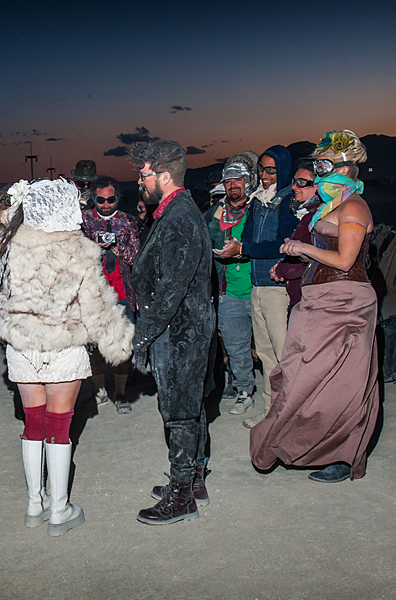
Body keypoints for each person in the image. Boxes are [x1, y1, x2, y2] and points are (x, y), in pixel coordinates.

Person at [0, 179, 133, 537]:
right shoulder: (78, 249)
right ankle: (59, 510)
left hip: (21, 347)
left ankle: (35, 503)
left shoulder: (6, 244)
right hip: (62, 347)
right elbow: (97, 307)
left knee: (33, 424)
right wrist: (120, 342)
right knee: (60, 428)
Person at [250, 130, 379, 483]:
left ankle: (341, 455)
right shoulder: (332, 205)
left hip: (346, 303)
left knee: (341, 383)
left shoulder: (354, 206)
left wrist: (302, 249)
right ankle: (298, 444)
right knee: (301, 376)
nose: (320, 171)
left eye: (325, 164)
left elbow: (345, 259)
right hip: (318, 300)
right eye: (318, 164)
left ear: (345, 167)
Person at [128, 140, 215, 525]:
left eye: (144, 174)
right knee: (189, 407)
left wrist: (142, 337)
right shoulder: (170, 211)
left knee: (179, 411)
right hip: (183, 328)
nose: (139, 181)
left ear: (164, 176)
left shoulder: (179, 216)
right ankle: (192, 480)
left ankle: (182, 497)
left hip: (181, 332)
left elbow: (170, 290)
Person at [215, 145, 299, 428]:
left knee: (283, 352)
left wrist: (245, 247)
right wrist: (235, 250)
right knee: (265, 354)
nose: (265, 175)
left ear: (282, 170)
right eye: (262, 169)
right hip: (257, 285)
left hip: (278, 287)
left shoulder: (288, 201)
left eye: (271, 170)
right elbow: (248, 241)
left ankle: (291, 413)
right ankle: (270, 410)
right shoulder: (258, 201)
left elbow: (282, 243)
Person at [81, 176, 140, 414]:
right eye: (101, 200)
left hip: (122, 292)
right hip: (93, 295)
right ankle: (99, 390)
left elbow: (136, 256)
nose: (106, 204)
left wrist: (115, 245)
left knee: (122, 346)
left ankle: (120, 393)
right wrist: (95, 244)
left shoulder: (127, 221)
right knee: (94, 346)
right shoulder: (83, 222)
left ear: (118, 198)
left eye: (111, 199)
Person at [207, 157, 256, 416]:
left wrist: (241, 251)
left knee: (272, 346)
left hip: (260, 287)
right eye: (228, 181)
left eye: (238, 180)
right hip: (229, 291)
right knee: (236, 347)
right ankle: (244, 391)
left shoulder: (260, 209)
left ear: (248, 182)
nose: (233, 185)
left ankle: (279, 393)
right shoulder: (215, 214)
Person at [271, 164, 321, 309]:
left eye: (302, 183)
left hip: (308, 300)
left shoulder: (314, 217)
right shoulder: (302, 212)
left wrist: (280, 270)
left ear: (318, 185)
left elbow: (309, 262)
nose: (294, 187)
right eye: (294, 182)